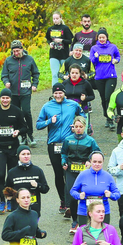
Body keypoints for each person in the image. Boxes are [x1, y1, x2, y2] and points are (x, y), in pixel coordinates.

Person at [36, 83, 83, 213]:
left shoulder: (73, 105)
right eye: (55, 93)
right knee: (58, 173)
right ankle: (63, 201)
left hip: (69, 143)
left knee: (68, 172)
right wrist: (49, 121)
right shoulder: (47, 106)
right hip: (54, 144)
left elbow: (83, 116)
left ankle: (70, 202)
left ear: (64, 93)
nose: (58, 95)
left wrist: (77, 126)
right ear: (52, 94)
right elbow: (38, 125)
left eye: (60, 93)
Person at [0, 90, 27, 214]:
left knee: (12, 176)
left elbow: (25, 127)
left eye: (7, 98)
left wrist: (18, 131)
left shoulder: (16, 111)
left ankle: (12, 201)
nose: (5, 100)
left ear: (10, 99)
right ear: (0, 99)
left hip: (13, 148)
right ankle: (2, 201)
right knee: (1, 175)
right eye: (3, 98)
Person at [61, 116, 100, 232]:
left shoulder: (90, 141)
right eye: (76, 127)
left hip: (85, 172)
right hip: (71, 170)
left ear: (85, 127)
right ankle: (74, 221)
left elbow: (97, 153)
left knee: (87, 197)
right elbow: (63, 153)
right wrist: (64, 162)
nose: (78, 129)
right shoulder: (68, 140)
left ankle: (89, 221)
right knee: (73, 196)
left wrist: (90, 161)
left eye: (81, 127)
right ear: (73, 127)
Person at [1, 40, 39, 146]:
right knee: (16, 114)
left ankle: (30, 135)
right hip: (13, 93)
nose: (16, 53)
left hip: (25, 92)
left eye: (17, 50)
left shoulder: (29, 59)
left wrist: (35, 84)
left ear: (22, 49)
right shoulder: (8, 61)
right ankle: (22, 136)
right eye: (14, 51)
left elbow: (35, 73)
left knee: (26, 112)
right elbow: (4, 74)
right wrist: (6, 82)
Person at [70, 151, 120, 227]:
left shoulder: (108, 176)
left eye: (99, 162)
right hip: (84, 211)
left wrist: (111, 195)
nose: (97, 164)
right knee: (85, 236)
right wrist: (79, 195)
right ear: (90, 162)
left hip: (103, 212)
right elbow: (73, 191)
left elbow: (117, 194)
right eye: (94, 161)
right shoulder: (83, 174)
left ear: (103, 162)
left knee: (103, 235)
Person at [91, 27, 123, 130]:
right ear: (97, 38)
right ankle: (107, 116)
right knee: (103, 98)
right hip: (99, 77)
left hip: (111, 76)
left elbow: (118, 56)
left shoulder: (112, 47)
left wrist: (116, 61)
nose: (101, 39)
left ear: (106, 37)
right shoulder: (94, 48)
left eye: (103, 37)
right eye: (100, 37)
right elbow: (91, 62)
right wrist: (95, 57)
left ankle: (110, 119)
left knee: (108, 97)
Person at [5, 145, 49, 217]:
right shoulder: (12, 172)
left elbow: (46, 189)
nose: (26, 156)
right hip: (17, 210)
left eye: (28, 154)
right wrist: (9, 195)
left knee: (31, 228)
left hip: (34, 209)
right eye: (23, 154)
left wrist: (37, 185)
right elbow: (7, 188)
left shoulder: (37, 170)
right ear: (18, 156)